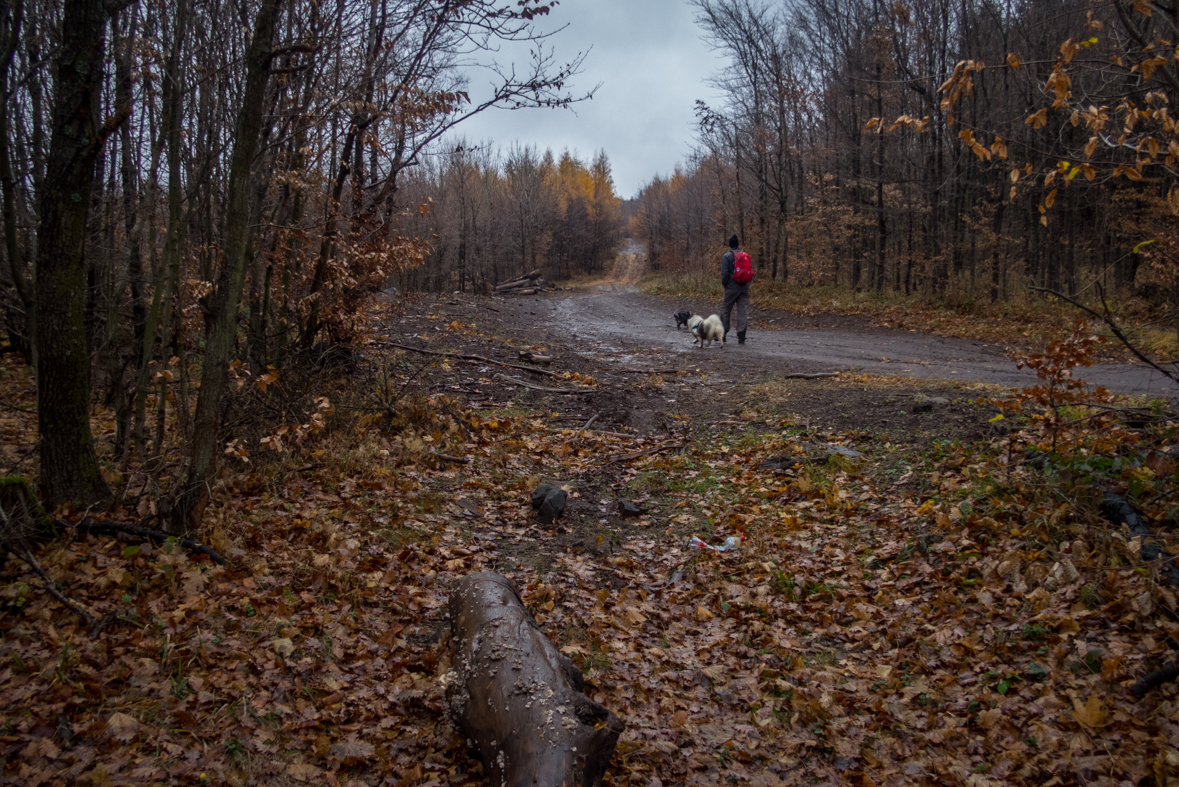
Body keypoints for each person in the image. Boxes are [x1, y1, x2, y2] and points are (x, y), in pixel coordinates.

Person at [720, 235, 750, 345]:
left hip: (731, 288)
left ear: (730, 245)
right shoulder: (745, 256)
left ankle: (722, 333)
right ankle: (741, 336)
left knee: (726, 309)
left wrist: (726, 285)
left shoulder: (727, 256)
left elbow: (725, 274)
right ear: (738, 244)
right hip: (744, 287)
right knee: (742, 312)